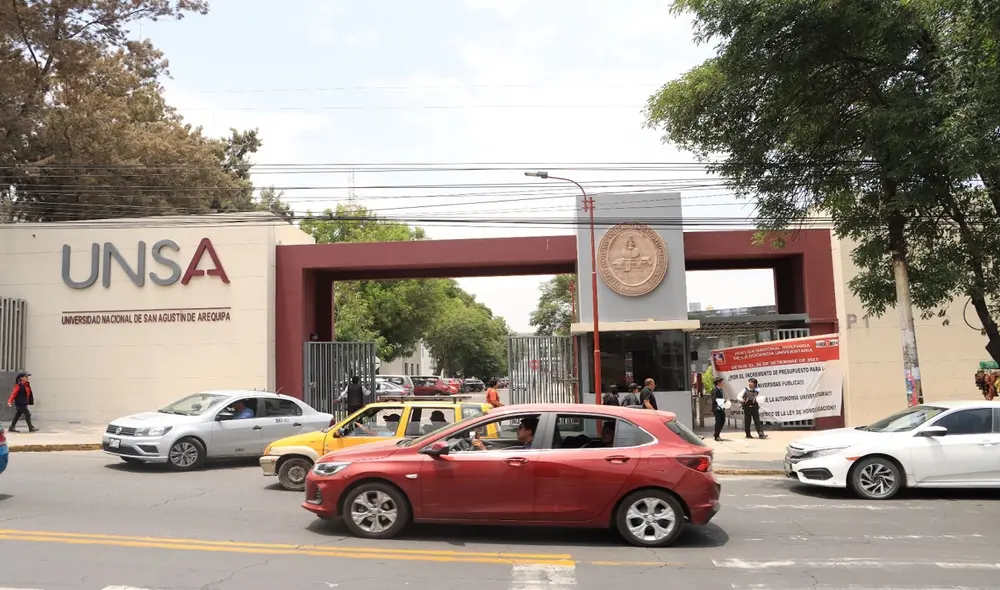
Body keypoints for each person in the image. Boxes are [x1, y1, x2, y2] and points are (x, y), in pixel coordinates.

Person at [471, 416, 537, 451]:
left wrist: (483, 449)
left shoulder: (529, 450)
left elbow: (495, 464)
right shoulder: (530, 446)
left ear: (528, 432)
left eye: (520, 427)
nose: (517, 430)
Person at [711, 376, 727, 441]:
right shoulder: (715, 389)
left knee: (722, 420)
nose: (723, 383)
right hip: (717, 408)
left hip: (721, 408)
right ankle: (717, 436)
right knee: (718, 421)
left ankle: (716, 434)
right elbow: (714, 399)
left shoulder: (720, 389)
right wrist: (722, 401)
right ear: (718, 382)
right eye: (721, 382)